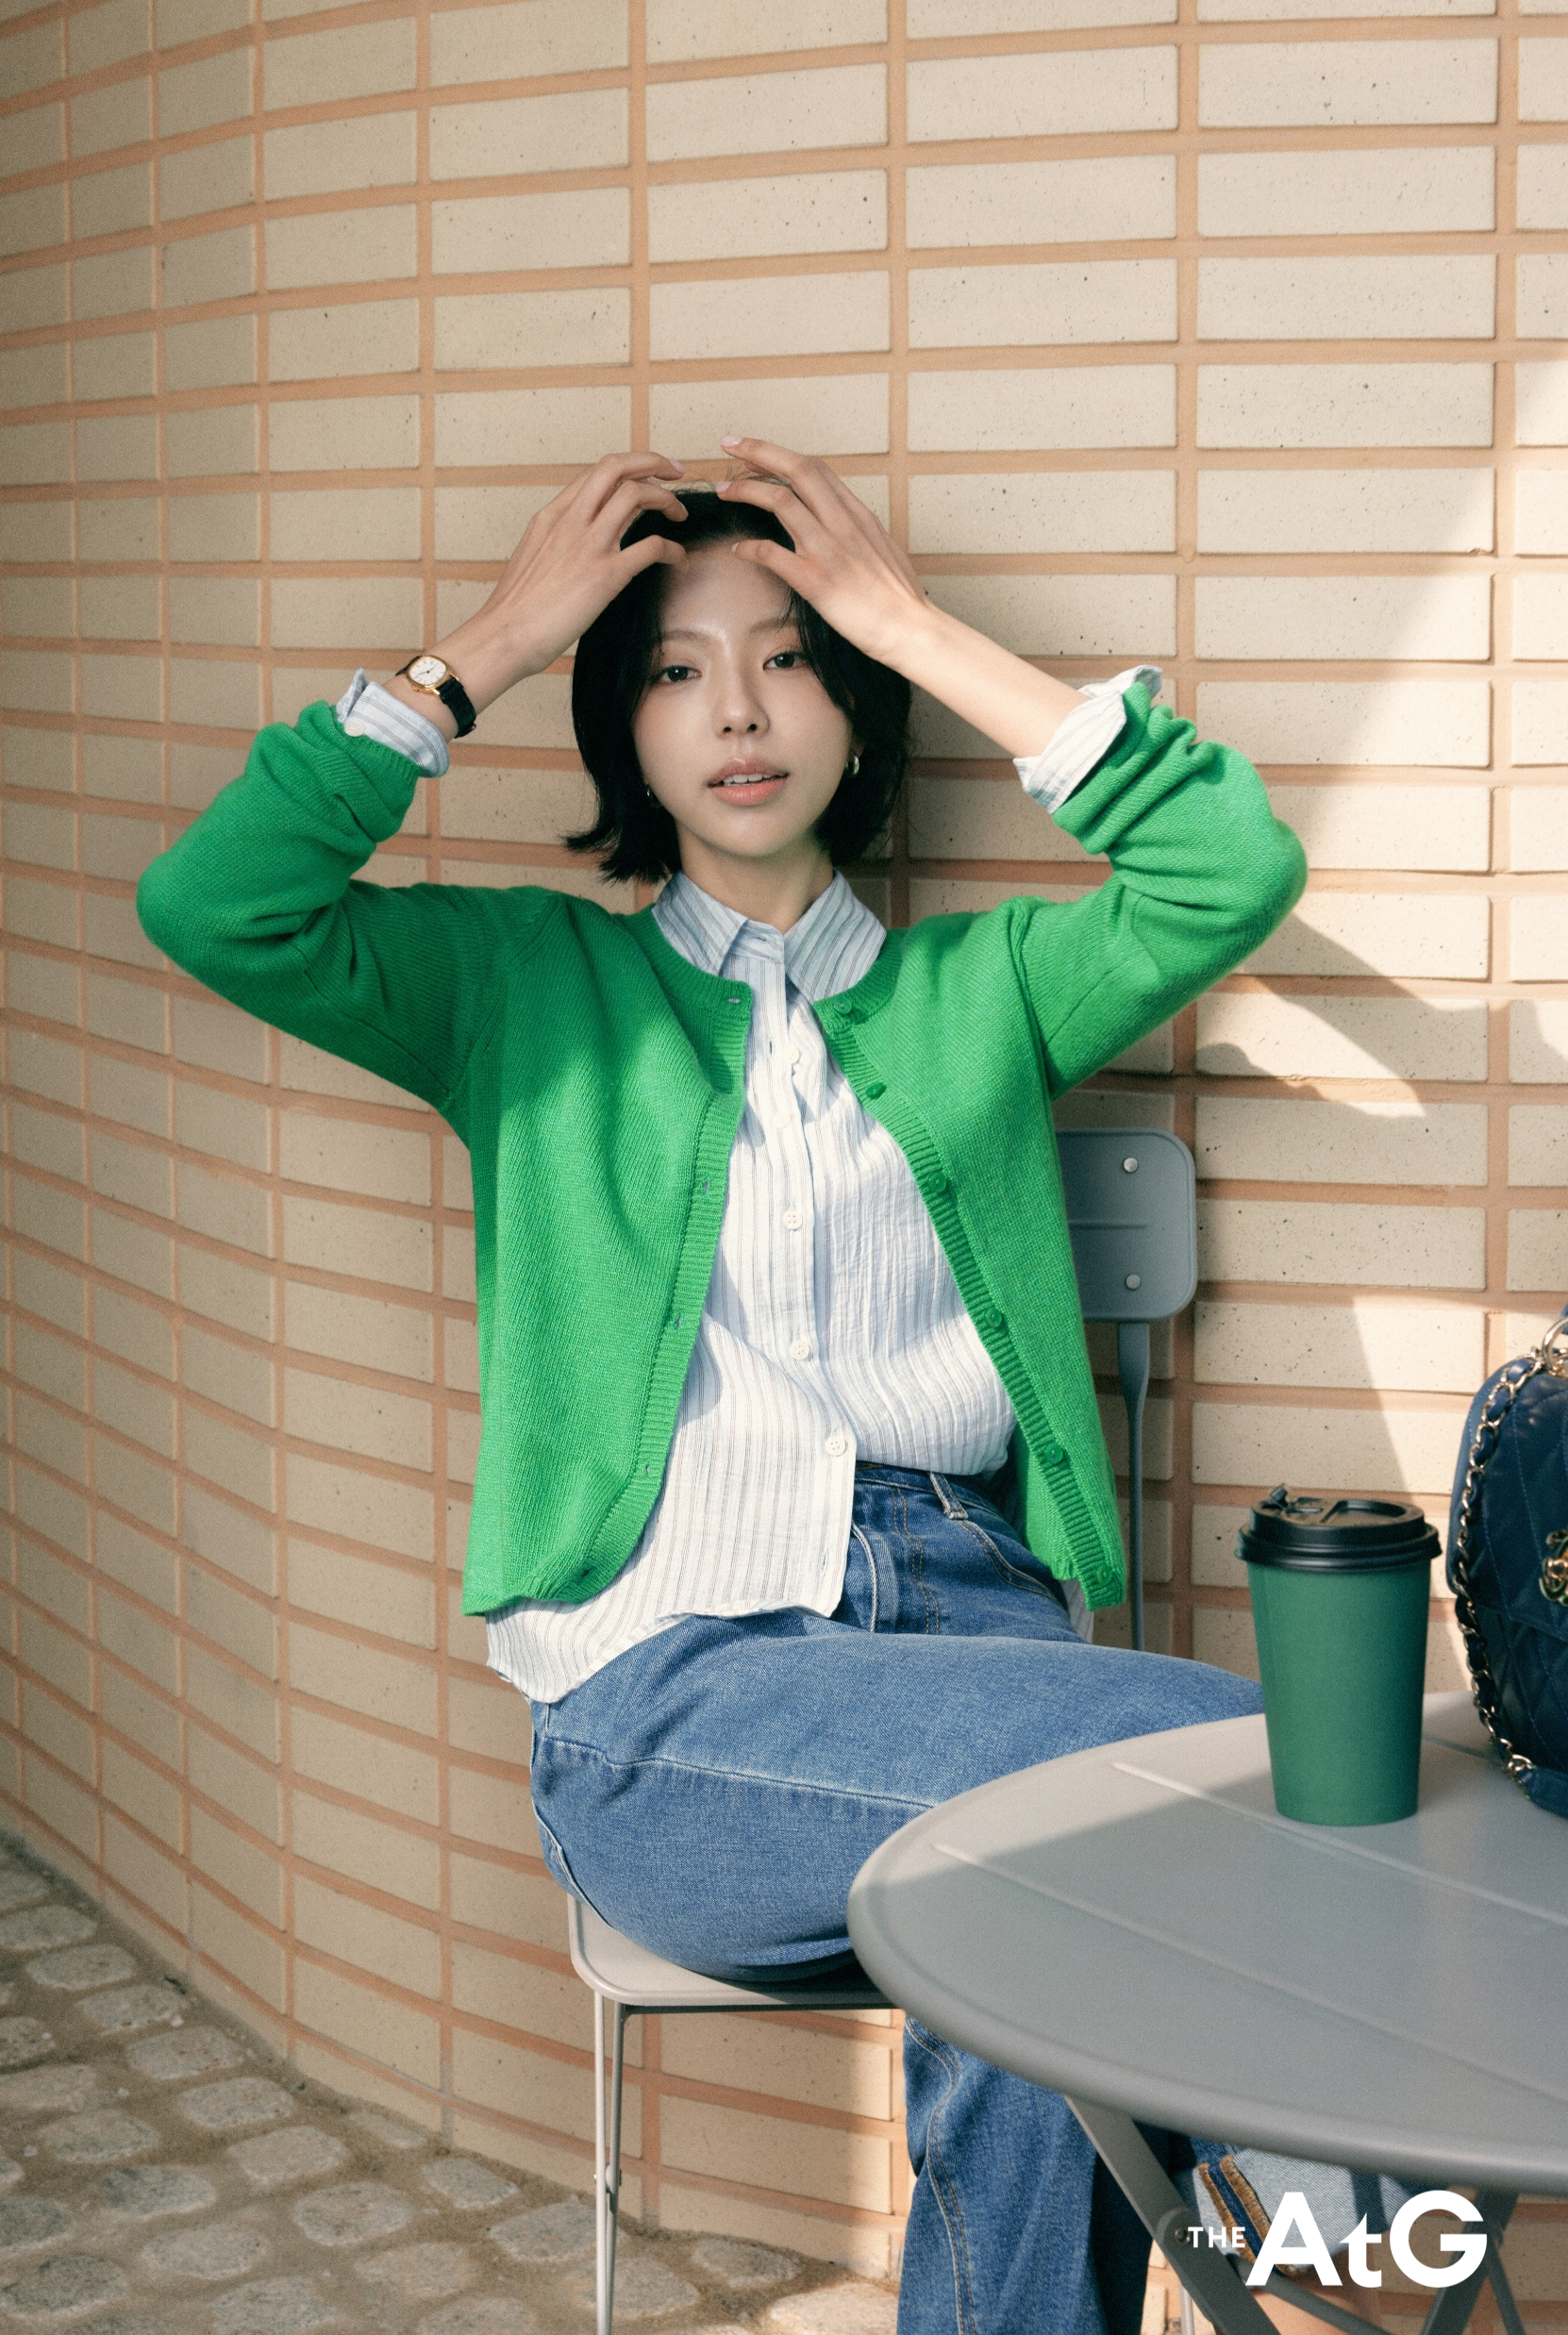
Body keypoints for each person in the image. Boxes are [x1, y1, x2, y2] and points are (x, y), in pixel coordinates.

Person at [138, 442, 1399, 2335]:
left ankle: (1307, 2195)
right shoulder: (522, 987)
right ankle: (1347, 2195)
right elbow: (215, 902)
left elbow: (1233, 866)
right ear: (621, 731)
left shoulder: (986, 991)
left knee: (1061, 1900)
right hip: (678, 1690)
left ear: (855, 708)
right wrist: (494, 643)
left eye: (791, 658)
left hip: (983, 1639)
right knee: (1223, 1767)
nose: (736, 710)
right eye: (671, 670)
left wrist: (906, 620)